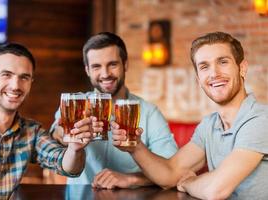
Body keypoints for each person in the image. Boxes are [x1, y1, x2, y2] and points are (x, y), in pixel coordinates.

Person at [111, 31, 268, 199]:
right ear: (199, 79)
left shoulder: (261, 119)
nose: (214, 73)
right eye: (204, 66)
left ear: (242, 68)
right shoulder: (210, 125)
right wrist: (136, 147)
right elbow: (171, 173)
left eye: (223, 62)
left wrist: (188, 182)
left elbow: (216, 190)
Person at [50, 32, 178, 189]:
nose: (105, 74)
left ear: (125, 65)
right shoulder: (75, 105)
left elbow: (172, 168)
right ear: (87, 70)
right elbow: (56, 134)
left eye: (112, 64)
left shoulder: (149, 112)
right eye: (96, 66)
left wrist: (131, 180)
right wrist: (65, 133)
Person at [0, 43, 93, 199]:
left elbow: (67, 166)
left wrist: (75, 148)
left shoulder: (31, 132)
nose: (15, 86)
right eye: (6, 74)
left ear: (30, 82)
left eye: (24, 77)